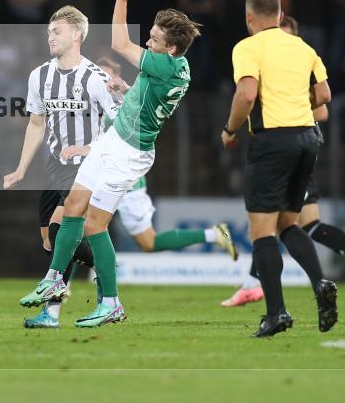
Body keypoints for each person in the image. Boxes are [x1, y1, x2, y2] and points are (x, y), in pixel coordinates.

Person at [19, 0, 202, 328]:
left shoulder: (164, 64)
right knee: (73, 205)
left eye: (154, 40)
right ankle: (55, 279)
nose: (148, 43)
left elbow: (120, 44)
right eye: (149, 36)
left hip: (129, 152)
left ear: (173, 49)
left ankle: (111, 302)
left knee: (94, 225)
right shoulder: (176, 67)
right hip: (113, 140)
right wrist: (127, 88)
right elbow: (148, 94)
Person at [221, 16, 345, 307]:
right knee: (290, 224)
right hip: (295, 148)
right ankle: (256, 282)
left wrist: (285, 108)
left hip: (293, 150)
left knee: (282, 223)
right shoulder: (277, 58)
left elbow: (323, 110)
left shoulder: (298, 56)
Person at [221, 0, 338, 338]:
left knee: (262, 231)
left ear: (249, 17)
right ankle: (320, 283)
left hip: (273, 140)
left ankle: (276, 314)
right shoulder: (303, 47)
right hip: (308, 139)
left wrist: (229, 130)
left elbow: (246, 94)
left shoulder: (248, 47)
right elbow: (325, 95)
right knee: (289, 222)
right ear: (279, 13)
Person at [3, 5, 122, 328]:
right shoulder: (39, 76)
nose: (50, 36)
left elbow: (121, 126)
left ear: (77, 35)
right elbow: (36, 123)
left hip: (88, 166)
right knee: (50, 239)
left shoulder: (96, 78)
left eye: (56, 31)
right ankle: (105, 272)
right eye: (48, 32)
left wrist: (88, 147)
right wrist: (21, 168)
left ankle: (53, 312)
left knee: (60, 226)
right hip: (55, 167)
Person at [68, 57, 237, 260]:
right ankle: (66, 280)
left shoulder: (126, 105)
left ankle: (214, 234)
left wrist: (85, 149)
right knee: (77, 221)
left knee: (148, 242)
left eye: (104, 75)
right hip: (102, 175)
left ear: (116, 78)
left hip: (127, 182)